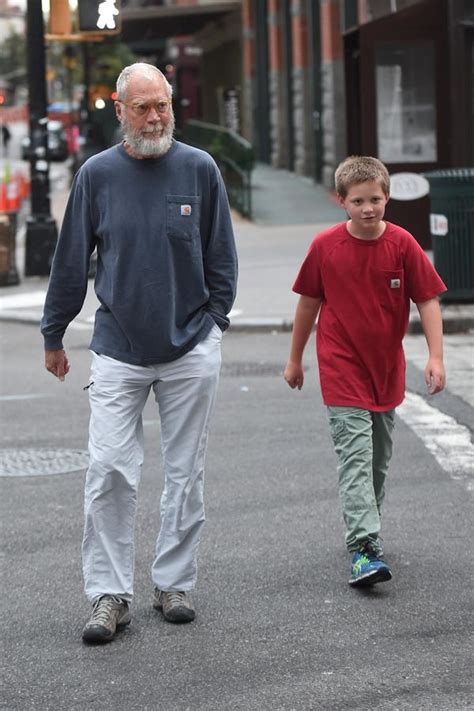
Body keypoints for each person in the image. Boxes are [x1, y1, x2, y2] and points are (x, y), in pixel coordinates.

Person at [41, 63, 238, 643]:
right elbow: (71, 259)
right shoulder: (97, 175)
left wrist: (214, 324)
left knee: (185, 473)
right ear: (121, 110)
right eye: (143, 107)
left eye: (163, 105)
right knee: (107, 471)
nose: (156, 117)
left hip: (190, 348)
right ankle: (109, 595)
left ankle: (174, 582)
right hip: (120, 349)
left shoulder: (200, 169)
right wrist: (54, 334)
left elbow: (221, 257)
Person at [284, 155, 446, 588]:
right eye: (358, 201)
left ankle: (366, 529)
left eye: (375, 199)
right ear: (341, 201)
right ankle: (363, 547)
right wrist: (296, 357)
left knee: (377, 460)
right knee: (355, 457)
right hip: (341, 366)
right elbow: (308, 304)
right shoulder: (325, 246)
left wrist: (435, 357)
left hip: (385, 368)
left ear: (387, 197)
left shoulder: (403, 244)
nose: (368, 208)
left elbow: (427, 299)